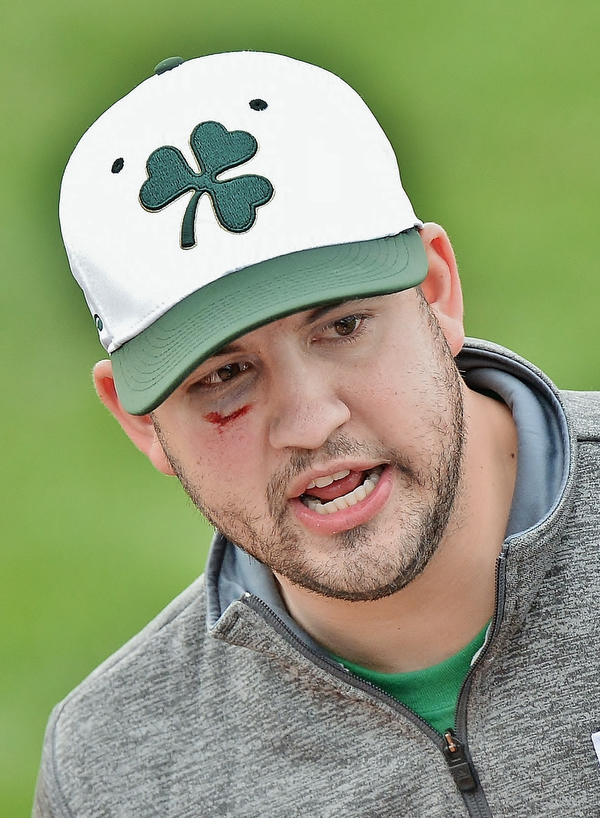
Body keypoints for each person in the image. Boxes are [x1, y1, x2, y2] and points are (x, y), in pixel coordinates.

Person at [33, 51, 600, 818]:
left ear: (437, 291)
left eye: (343, 325)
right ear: (141, 422)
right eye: (221, 376)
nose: (310, 422)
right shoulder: (113, 772)